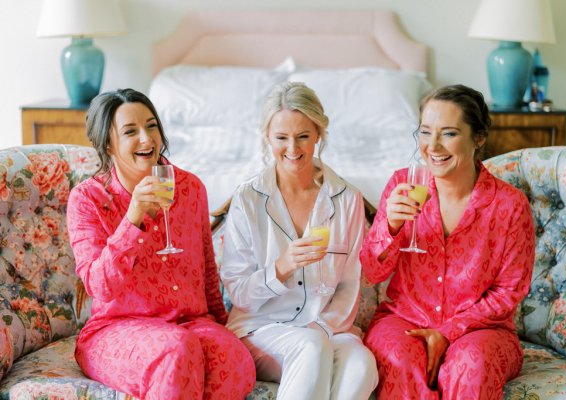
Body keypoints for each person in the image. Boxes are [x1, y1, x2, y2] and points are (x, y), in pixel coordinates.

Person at [66, 88, 255, 399]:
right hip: (116, 328)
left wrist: (224, 327)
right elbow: (98, 286)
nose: (146, 138)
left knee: (235, 361)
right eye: (130, 131)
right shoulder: (88, 199)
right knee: (175, 351)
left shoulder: (190, 187)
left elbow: (207, 270)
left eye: (151, 126)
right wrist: (133, 220)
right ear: (107, 144)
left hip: (190, 323)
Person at [361, 84, 535, 399]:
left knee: (471, 363)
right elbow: (372, 272)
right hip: (405, 318)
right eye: (425, 132)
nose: (433, 146)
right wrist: (391, 226)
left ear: (478, 138)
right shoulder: (403, 184)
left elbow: (510, 292)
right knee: (399, 358)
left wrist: (447, 332)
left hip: (483, 332)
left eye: (449, 133)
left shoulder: (510, 205)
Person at [220, 81, 378, 399]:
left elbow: (349, 285)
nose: (293, 149)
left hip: (327, 328)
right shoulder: (248, 199)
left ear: (319, 134)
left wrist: (321, 327)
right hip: (260, 328)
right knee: (309, 346)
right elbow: (240, 293)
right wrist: (283, 265)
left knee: (362, 365)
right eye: (281, 138)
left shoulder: (347, 199)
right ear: (267, 137)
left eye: (303, 136)